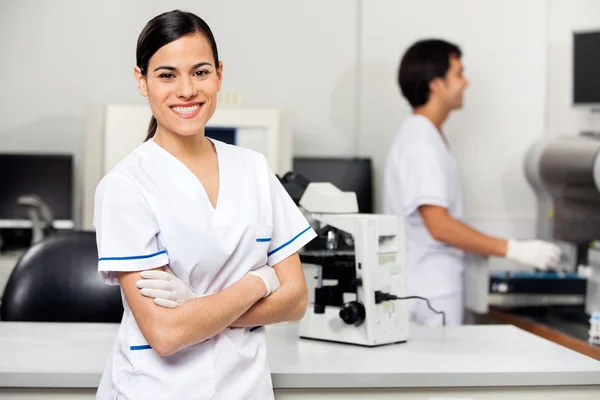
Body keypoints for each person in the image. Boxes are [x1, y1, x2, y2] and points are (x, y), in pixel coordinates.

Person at [93, 10, 316, 400]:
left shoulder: (253, 168)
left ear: (219, 74)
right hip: (159, 390)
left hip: (246, 388)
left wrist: (196, 307)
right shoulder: (125, 186)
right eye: (166, 75)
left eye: (200, 72)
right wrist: (260, 280)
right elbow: (166, 333)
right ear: (141, 81)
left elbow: (296, 299)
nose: (186, 90)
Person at [382, 39, 561, 326]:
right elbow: (439, 226)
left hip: (432, 291)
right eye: (458, 73)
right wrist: (514, 249)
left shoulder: (427, 137)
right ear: (435, 84)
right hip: (429, 296)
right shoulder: (421, 144)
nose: (466, 82)